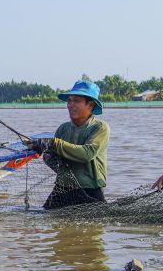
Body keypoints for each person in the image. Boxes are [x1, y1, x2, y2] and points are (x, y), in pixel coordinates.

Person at [26, 79, 109, 209]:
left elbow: (87, 154)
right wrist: (46, 152)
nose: (70, 105)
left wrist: (53, 143)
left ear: (91, 105)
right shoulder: (63, 129)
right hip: (63, 187)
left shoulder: (100, 128)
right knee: (46, 218)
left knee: (95, 226)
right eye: (69, 100)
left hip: (89, 190)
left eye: (76, 101)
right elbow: (50, 157)